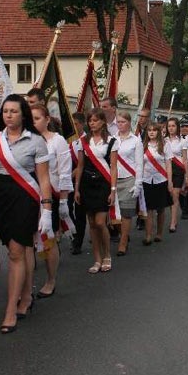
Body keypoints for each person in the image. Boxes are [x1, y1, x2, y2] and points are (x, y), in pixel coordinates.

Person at [0, 94, 53, 334]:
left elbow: (43, 178)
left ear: (23, 115)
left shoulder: (35, 141)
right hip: (1, 199)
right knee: (20, 251)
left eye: (14, 111)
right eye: (6, 111)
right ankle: (26, 296)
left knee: (16, 251)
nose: (9, 115)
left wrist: (47, 209)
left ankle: (11, 309)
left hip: (25, 197)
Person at [31, 104, 72, 298]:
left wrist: (63, 200)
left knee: (48, 240)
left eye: (37, 118)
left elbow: (64, 172)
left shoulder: (58, 141)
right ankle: (26, 283)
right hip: (29, 195)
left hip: (51, 196)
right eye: (30, 119)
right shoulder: (26, 139)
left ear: (47, 119)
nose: (33, 122)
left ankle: (50, 280)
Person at [74, 108, 119, 274]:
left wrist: (113, 190)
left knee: (100, 222)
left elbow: (113, 167)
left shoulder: (112, 141)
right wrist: (77, 188)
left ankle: (107, 255)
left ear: (102, 122)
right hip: (87, 183)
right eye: (90, 121)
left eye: (95, 120)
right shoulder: (83, 141)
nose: (92, 123)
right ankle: (97, 259)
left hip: (103, 184)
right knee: (91, 224)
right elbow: (80, 166)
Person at [115, 111, 143, 256]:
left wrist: (138, 184)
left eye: (123, 122)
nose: (120, 125)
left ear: (129, 123)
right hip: (114, 179)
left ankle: (123, 242)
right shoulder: (112, 139)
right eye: (118, 122)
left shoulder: (136, 140)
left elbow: (139, 164)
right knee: (115, 214)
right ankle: (123, 234)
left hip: (129, 179)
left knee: (126, 213)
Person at [142, 124, 173, 244]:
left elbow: (169, 164)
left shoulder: (165, 145)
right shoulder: (143, 145)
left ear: (159, 132)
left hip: (161, 179)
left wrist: (170, 181)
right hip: (147, 180)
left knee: (160, 208)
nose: (151, 132)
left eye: (154, 130)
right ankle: (148, 235)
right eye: (149, 130)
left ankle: (159, 234)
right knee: (148, 209)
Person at [165, 118, 188, 232]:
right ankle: (173, 218)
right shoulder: (164, 140)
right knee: (169, 196)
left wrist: (187, 176)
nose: (171, 128)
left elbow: (185, 160)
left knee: (175, 195)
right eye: (169, 126)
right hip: (166, 170)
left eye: (173, 126)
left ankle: (173, 222)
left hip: (178, 170)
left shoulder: (182, 141)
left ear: (177, 127)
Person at [68, 112, 87, 255]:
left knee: (80, 212)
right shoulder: (67, 140)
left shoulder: (86, 139)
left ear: (81, 124)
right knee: (67, 210)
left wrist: (73, 174)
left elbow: (84, 162)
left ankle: (78, 242)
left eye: (75, 123)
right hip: (66, 181)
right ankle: (73, 232)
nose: (73, 126)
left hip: (80, 180)